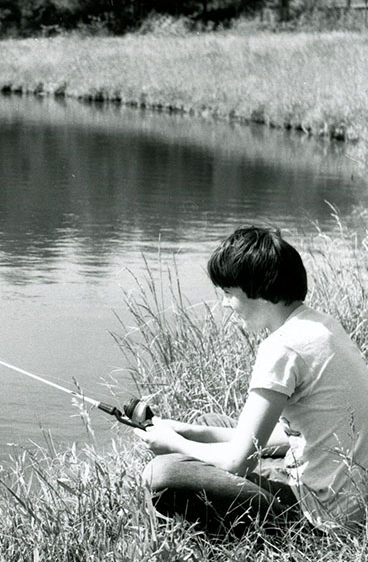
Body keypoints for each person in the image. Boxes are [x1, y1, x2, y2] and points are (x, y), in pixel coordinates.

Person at [136, 226, 368, 535]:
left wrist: (173, 442)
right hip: (349, 495)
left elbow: (237, 463)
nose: (225, 304)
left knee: (162, 472)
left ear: (258, 292)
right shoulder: (321, 325)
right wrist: (195, 432)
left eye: (229, 294)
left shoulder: (282, 347)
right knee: (208, 422)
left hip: (324, 514)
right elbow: (300, 434)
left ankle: (179, 538)